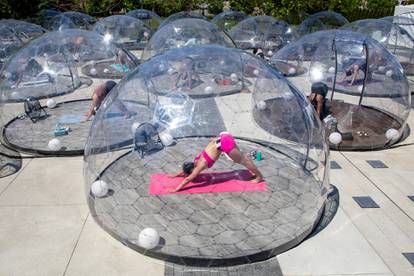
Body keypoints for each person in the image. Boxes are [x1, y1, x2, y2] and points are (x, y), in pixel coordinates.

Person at [168, 132, 264, 192]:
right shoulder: (195, 161)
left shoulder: (199, 166)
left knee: (244, 161)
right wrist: (175, 175)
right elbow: (187, 171)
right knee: (240, 158)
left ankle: (259, 176)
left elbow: (188, 179)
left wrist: (176, 189)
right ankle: (251, 167)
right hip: (222, 137)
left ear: (192, 170)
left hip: (223, 143)